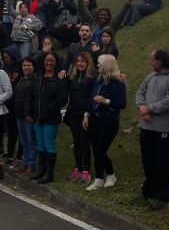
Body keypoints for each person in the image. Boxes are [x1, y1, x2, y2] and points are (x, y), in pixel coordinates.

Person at [135, 48, 169, 209]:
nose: (150, 63)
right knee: (148, 160)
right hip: (146, 126)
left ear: (161, 61)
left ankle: (162, 195)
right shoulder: (151, 76)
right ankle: (148, 190)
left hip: (164, 128)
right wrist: (143, 108)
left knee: (163, 162)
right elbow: (140, 92)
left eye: (152, 60)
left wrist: (150, 108)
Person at [83, 54, 127, 191]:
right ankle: (99, 179)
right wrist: (86, 114)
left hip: (109, 122)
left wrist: (105, 101)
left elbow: (122, 103)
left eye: (100, 64)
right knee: (96, 149)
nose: (97, 66)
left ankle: (110, 174)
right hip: (95, 120)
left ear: (107, 65)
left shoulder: (118, 83)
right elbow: (91, 99)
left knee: (100, 149)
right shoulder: (99, 81)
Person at [30, 51, 68, 184]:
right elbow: (33, 96)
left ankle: (49, 173)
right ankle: (41, 170)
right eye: (47, 60)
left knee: (49, 145)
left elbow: (63, 99)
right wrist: (30, 112)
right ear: (43, 61)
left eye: (52, 60)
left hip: (51, 118)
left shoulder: (60, 79)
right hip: (37, 116)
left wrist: (49, 108)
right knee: (40, 144)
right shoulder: (37, 77)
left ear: (56, 62)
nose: (49, 63)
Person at [64, 52, 95, 183]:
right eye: (78, 61)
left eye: (83, 62)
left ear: (88, 64)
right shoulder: (73, 77)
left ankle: (86, 171)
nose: (80, 64)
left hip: (86, 115)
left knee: (84, 142)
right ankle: (78, 167)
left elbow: (92, 98)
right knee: (76, 142)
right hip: (73, 114)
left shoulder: (92, 79)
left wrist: (87, 114)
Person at [13, 57, 38, 175]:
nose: (26, 68)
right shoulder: (21, 79)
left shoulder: (35, 80)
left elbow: (34, 99)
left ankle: (31, 165)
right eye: (24, 66)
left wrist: (30, 113)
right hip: (19, 115)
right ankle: (25, 163)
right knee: (23, 141)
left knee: (31, 140)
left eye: (29, 65)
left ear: (33, 66)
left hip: (29, 116)